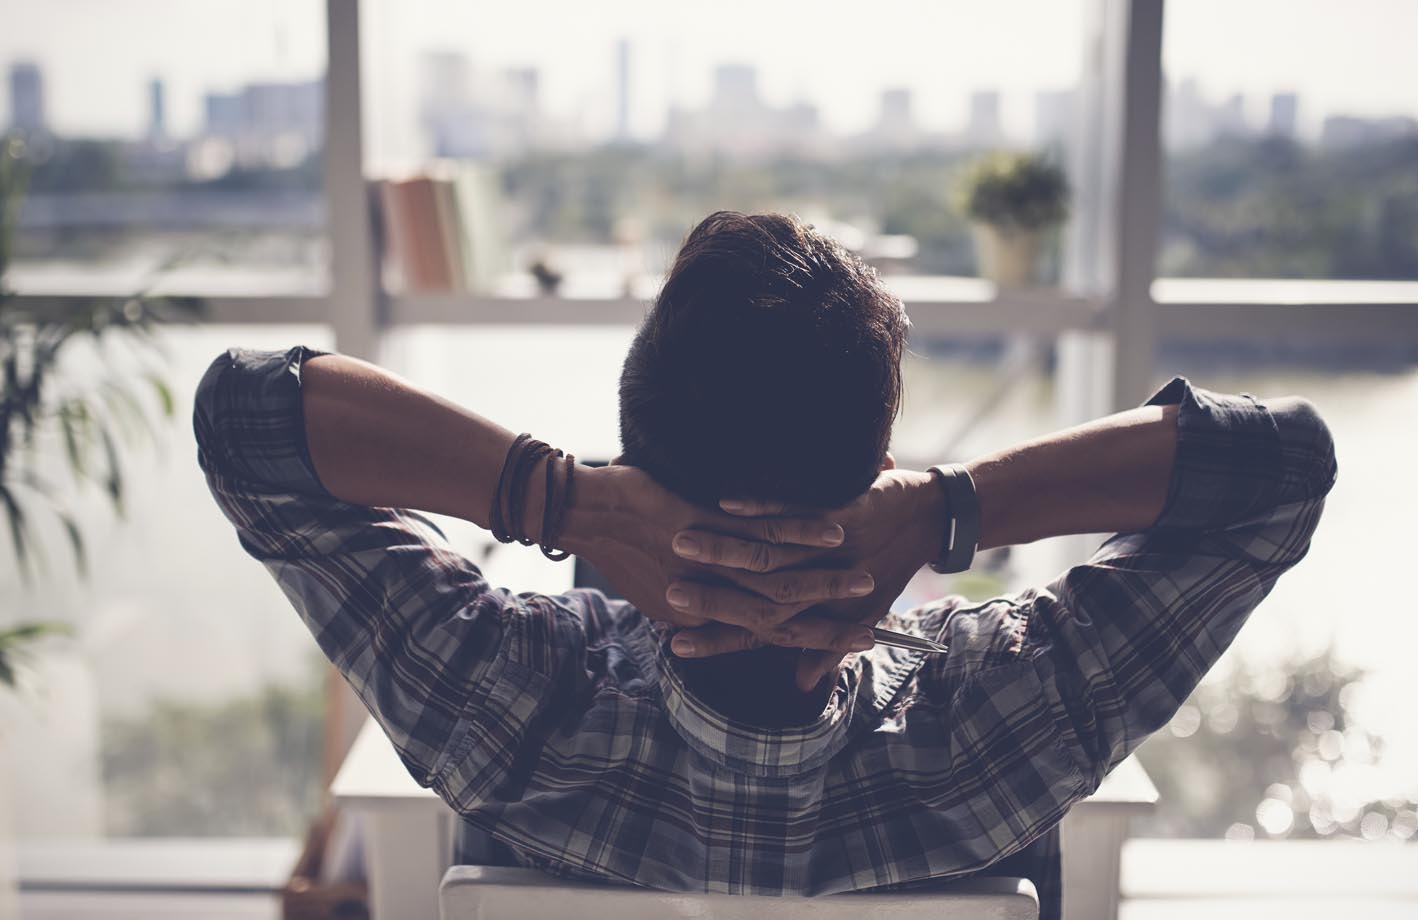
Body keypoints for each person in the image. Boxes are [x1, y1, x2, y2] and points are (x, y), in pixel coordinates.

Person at [193, 211, 1336, 919]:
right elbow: (1282, 466)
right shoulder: (1005, 722)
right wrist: (949, 511)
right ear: (877, 470)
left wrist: (566, 500)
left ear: (637, 456)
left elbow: (247, 416)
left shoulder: (504, 702)